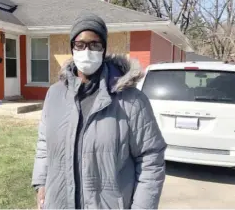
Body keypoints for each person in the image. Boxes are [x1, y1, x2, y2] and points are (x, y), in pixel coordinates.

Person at [32, 12, 167, 209]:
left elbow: (151, 160)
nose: (87, 51)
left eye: (95, 45)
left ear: (104, 49)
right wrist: (41, 183)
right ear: (72, 48)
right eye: (80, 44)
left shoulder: (131, 101)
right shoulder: (54, 95)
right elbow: (44, 144)